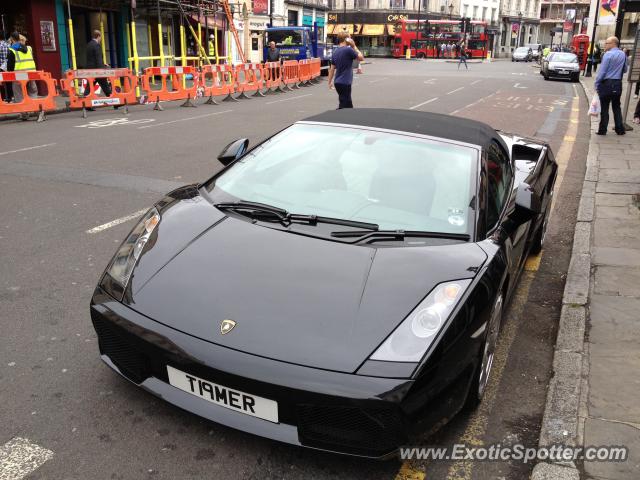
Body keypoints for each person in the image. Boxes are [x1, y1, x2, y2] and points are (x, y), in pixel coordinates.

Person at [595, 36, 627, 135]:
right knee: (616, 106)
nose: (605, 45)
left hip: (606, 84)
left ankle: (602, 130)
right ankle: (620, 129)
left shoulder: (608, 55)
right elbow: (625, 70)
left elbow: (602, 72)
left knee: (604, 107)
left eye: (607, 43)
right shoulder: (623, 54)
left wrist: (596, 83)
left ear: (613, 43)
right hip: (617, 84)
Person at [327, 31, 364, 109]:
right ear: (347, 39)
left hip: (337, 82)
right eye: (350, 38)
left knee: (344, 103)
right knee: (347, 106)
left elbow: (332, 69)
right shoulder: (348, 50)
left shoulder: (335, 52)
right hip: (345, 82)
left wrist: (329, 82)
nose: (351, 39)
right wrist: (354, 46)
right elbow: (361, 58)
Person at [85, 30, 113, 103]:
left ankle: (85, 102)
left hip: (90, 69)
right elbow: (98, 58)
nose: (101, 39)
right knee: (105, 86)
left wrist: (103, 64)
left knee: (89, 87)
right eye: (100, 37)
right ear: (98, 36)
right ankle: (113, 101)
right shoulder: (96, 45)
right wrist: (102, 69)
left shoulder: (89, 44)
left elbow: (92, 58)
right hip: (97, 70)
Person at [0, 30, 12, 103]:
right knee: (8, 82)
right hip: (8, 66)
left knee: (1, 82)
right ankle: (9, 97)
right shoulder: (8, 45)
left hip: (1, 66)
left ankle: (3, 97)